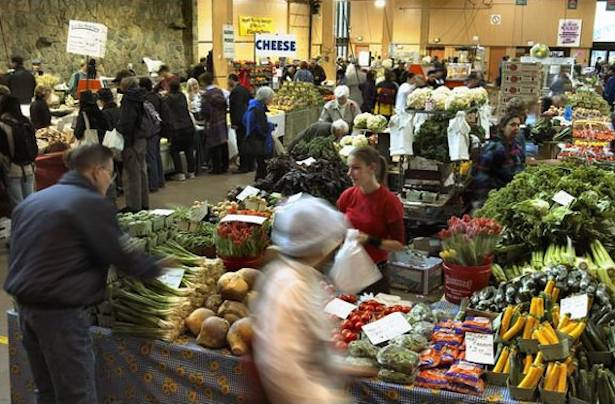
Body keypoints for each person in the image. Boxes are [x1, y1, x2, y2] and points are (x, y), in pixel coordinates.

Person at [4, 144, 165, 404]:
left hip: (27, 310)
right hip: (61, 315)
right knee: (77, 395)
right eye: (111, 174)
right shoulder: (89, 203)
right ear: (96, 172)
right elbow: (120, 253)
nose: (111, 181)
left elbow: (16, 250)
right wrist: (156, 268)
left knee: (47, 391)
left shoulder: (33, 200)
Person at [252, 196, 353, 404]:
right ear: (319, 246)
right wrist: (329, 399)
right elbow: (283, 367)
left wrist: (340, 366)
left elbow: (309, 345)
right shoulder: (291, 287)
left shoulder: (294, 275)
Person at [337, 146, 405, 294]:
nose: (349, 173)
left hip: (374, 276)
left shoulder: (389, 202)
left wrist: (369, 240)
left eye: (355, 168)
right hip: (348, 270)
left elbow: (399, 245)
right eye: (348, 168)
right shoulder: (347, 196)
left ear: (372, 167)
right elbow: (338, 230)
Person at [472, 113, 525, 206]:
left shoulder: (516, 146)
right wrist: (485, 199)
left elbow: (518, 168)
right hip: (493, 196)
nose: (516, 128)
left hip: (508, 194)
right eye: (512, 125)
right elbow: (481, 174)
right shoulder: (494, 147)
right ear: (503, 127)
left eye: (518, 125)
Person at [117, 77, 150, 212]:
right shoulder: (140, 96)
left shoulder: (128, 100)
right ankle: (144, 203)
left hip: (132, 141)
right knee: (141, 172)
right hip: (142, 138)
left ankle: (134, 206)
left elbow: (127, 123)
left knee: (131, 174)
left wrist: (123, 137)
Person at [0, 95, 37, 209]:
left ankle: (23, 226)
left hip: (12, 169)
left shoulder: (2, 125)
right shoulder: (26, 122)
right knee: (31, 202)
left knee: (18, 205)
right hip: (29, 167)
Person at [163, 79, 196, 181]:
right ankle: (191, 172)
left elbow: (166, 113)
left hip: (176, 128)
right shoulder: (182, 96)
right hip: (188, 126)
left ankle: (180, 173)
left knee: (175, 150)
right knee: (189, 148)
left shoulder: (168, 98)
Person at [243, 86, 275, 181]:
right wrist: (270, 127)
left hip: (254, 139)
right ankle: (261, 185)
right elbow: (261, 128)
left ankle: (259, 183)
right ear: (266, 98)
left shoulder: (253, 106)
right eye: (271, 98)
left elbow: (245, 120)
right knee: (262, 165)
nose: (271, 100)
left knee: (261, 165)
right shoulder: (258, 109)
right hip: (258, 141)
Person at [139, 77, 165, 192]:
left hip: (149, 131)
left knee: (151, 158)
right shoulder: (156, 97)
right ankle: (160, 181)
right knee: (157, 156)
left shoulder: (144, 99)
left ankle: (153, 184)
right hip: (157, 129)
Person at [200, 72, 229, 174]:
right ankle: (225, 166)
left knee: (214, 145)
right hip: (221, 119)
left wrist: (203, 117)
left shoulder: (206, 95)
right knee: (223, 143)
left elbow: (205, 111)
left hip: (212, 122)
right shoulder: (219, 91)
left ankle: (216, 168)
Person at [228, 74, 252, 173]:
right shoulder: (244, 89)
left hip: (240, 121)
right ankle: (250, 165)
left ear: (232, 80)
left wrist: (235, 122)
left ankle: (243, 167)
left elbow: (235, 108)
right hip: (247, 119)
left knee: (241, 144)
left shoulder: (235, 92)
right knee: (247, 143)